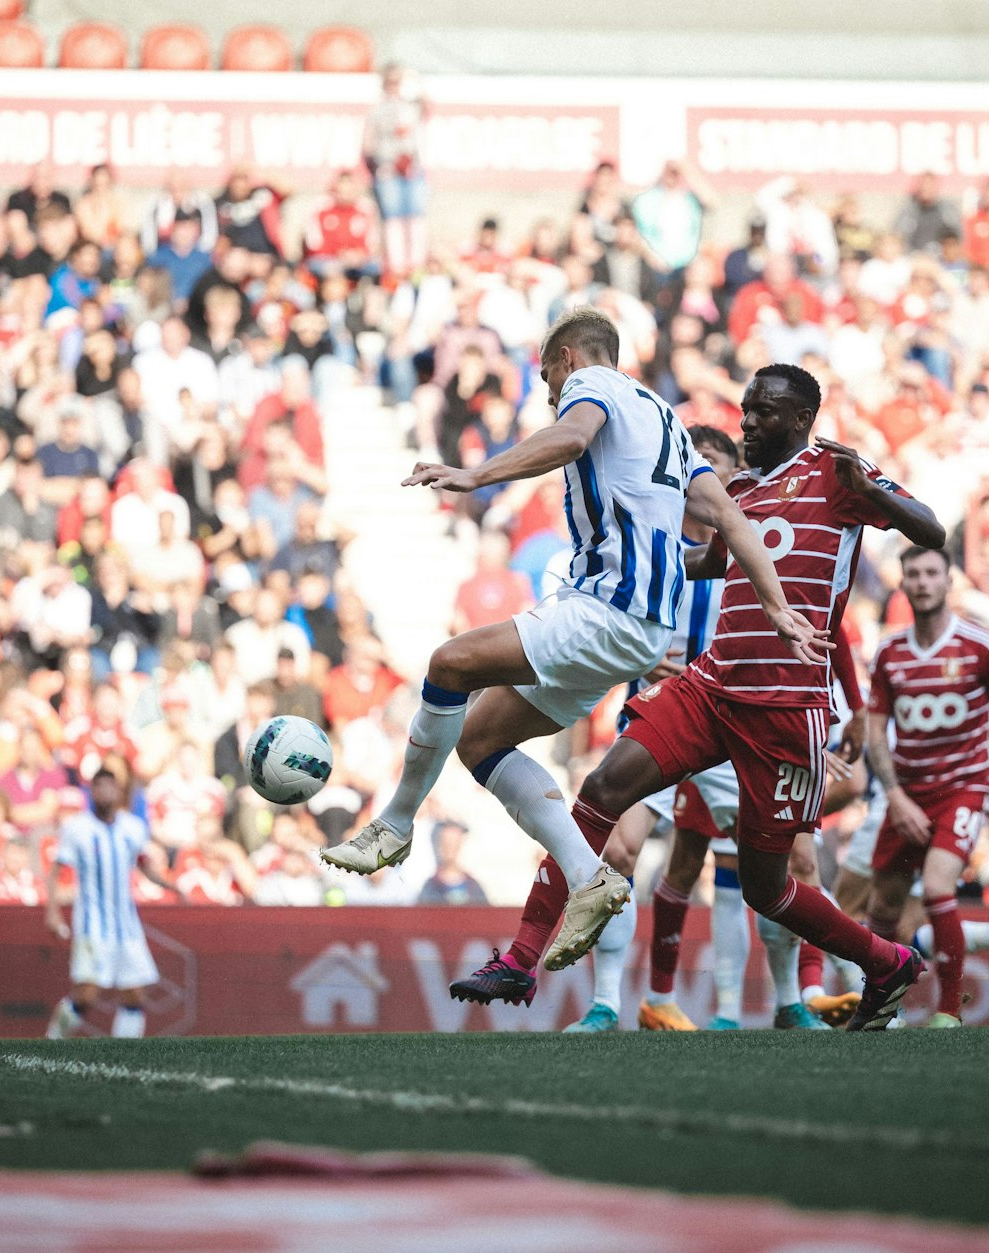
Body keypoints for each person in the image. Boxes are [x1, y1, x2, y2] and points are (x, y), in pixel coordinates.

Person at [320, 310, 824, 972]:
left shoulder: (595, 386)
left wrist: (476, 475)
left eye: (546, 375)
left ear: (566, 358)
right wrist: (778, 605)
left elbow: (570, 436)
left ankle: (395, 823)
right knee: (479, 738)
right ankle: (589, 877)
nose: (550, 390)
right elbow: (730, 518)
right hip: (640, 629)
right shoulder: (668, 423)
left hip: (605, 610)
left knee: (450, 663)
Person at [454, 363, 946, 1032]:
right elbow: (711, 560)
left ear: (801, 419)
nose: (747, 422)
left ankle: (884, 961)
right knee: (602, 788)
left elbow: (932, 532)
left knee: (769, 887)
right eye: (745, 409)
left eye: (763, 412)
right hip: (711, 685)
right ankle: (520, 957)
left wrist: (876, 493)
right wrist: (630, 567)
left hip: (785, 708)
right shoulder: (738, 488)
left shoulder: (838, 476)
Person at [862, 545, 989, 1027]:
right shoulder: (890, 653)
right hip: (908, 794)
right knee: (883, 907)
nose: (921, 582)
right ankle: (882, 1011)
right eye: (912, 574)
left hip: (964, 787)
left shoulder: (979, 647)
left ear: (948, 581)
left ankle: (948, 1010)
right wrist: (895, 796)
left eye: (930, 573)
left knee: (939, 887)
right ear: (902, 584)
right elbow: (876, 732)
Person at [45, 769, 158, 1039]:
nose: (106, 792)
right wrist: (52, 911)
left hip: (126, 924)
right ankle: (53, 1039)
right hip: (92, 923)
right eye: (100, 786)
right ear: (91, 792)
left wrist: (171, 886)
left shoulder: (133, 826)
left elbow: (143, 864)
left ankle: (124, 1053)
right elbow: (56, 870)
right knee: (87, 993)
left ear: (119, 792)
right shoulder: (77, 828)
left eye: (111, 786)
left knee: (135, 992)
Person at [361, 63, 429, 276]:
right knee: (393, 218)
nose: (395, 86)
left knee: (416, 217)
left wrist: (413, 82)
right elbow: (368, 145)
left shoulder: (412, 106)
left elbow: (426, 104)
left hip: (412, 169)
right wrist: (384, 162)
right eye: (391, 81)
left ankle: (416, 263)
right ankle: (397, 266)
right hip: (389, 169)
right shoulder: (376, 110)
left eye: (398, 81)